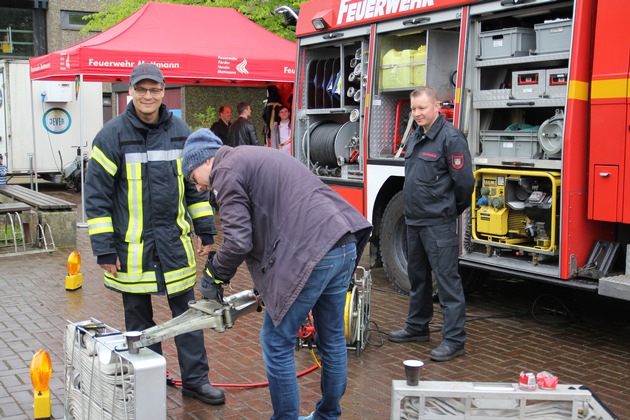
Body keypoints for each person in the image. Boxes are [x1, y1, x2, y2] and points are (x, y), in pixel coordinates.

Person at [182, 128, 372, 420]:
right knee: (332, 338)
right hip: (342, 241)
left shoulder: (226, 172)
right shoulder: (252, 156)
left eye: (192, 178)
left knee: (276, 341)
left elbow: (238, 242)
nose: (196, 188)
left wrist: (214, 275)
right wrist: (265, 287)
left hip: (313, 252)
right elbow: (272, 225)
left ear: (203, 162)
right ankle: (328, 416)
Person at [84, 63, 225, 405]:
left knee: (188, 317)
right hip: (131, 251)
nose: (148, 95)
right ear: (130, 91)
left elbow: (196, 189)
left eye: (155, 89)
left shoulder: (181, 131)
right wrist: (104, 249)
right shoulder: (111, 136)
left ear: (164, 91)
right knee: (139, 322)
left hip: (174, 247)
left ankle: (196, 381)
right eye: (141, 89)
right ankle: (148, 379)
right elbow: (97, 195)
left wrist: (206, 231)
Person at [388, 87, 475, 362]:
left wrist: (449, 209)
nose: (417, 113)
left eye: (422, 108)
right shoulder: (417, 136)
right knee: (419, 279)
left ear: (436, 106)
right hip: (414, 221)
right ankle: (417, 327)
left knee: (447, 282)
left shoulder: (451, 138)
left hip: (438, 222)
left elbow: (465, 184)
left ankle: (454, 340)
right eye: (414, 109)